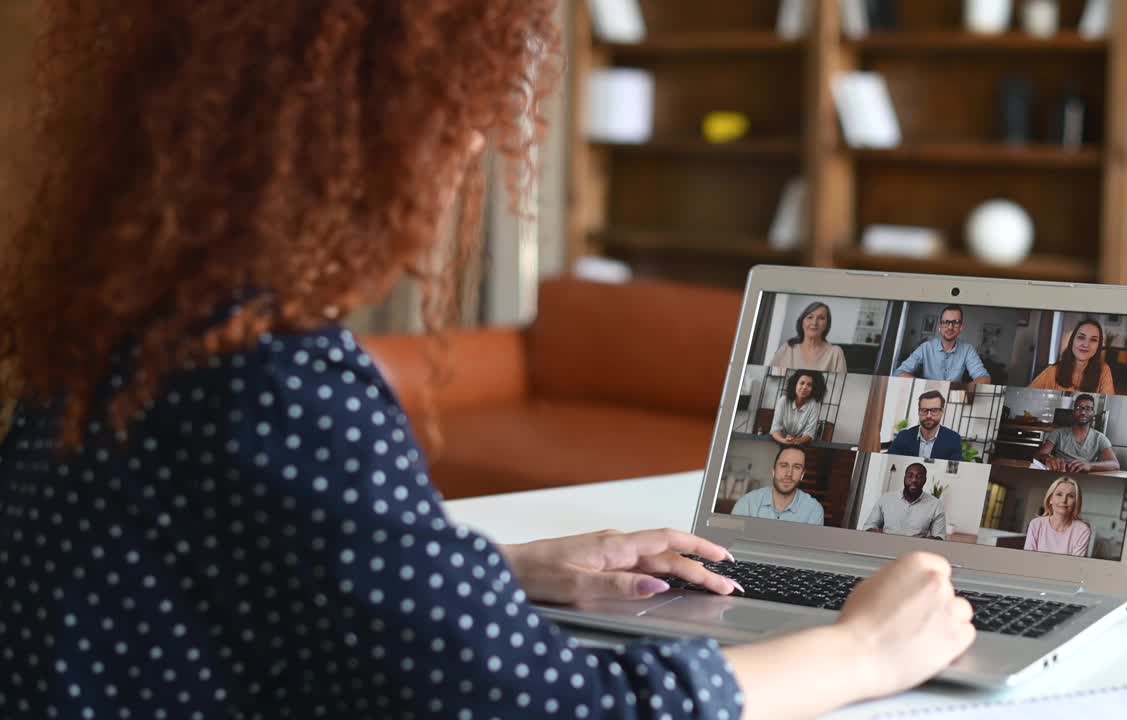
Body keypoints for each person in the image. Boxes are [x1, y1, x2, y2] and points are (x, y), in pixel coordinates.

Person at [0, 3, 975, 718]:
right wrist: (858, 650)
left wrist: (502, 573)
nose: (472, 139)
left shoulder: (127, 322)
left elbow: (229, 570)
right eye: (457, 106)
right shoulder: (277, 380)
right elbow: (551, 711)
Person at [894, 305, 992, 387]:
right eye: (946, 322)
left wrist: (960, 391)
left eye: (955, 322)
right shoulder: (926, 347)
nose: (950, 327)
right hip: (927, 397)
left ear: (961, 328)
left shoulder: (968, 350)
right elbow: (899, 373)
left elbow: (984, 378)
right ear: (940, 327)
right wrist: (925, 386)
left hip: (953, 399)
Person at [731, 445, 825, 525]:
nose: (789, 473)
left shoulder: (813, 511)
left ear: (802, 475)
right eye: (784, 465)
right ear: (773, 471)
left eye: (796, 467)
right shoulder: (747, 503)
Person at [1033, 394, 1120, 473]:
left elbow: (1115, 464)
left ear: (1093, 413)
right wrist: (1049, 459)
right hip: (1060, 473)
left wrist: (1090, 465)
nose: (1082, 412)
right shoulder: (1058, 433)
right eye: (1078, 408)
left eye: (1088, 408)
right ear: (1073, 412)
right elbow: (1039, 455)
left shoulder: (1100, 438)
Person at [862, 463, 948, 540]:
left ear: (925, 480)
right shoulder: (886, 498)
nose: (914, 480)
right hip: (885, 545)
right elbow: (869, 527)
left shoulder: (936, 505)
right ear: (904, 478)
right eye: (910, 476)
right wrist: (874, 533)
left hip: (915, 552)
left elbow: (940, 537)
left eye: (919, 477)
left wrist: (932, 540)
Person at [1029, 318, 1117, 395]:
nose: (1086, 344)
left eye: (1093, 340)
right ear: (1072, 341)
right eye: (1081, 337)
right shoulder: (1052, 371)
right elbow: (1027, 395)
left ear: (1098, 346)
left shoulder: (1104, 370)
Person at [770, 301, 848, 373]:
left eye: (821, 318)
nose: (814, 322)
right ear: (802, 322)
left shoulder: (836, 353)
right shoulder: (787, 348)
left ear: (827, 325)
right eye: (810, 317)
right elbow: (770, 375)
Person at [887, 390, 964, 461]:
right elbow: (891, 462)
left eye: (934, 410)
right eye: (924, 410)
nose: (928, 416)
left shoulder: (953, 439)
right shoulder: (903, 436)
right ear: (919, 412)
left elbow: (954, 471)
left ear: (942, 412)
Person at [1023, 477, 1092, 557]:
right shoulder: (1036, 524)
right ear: (1050, 499)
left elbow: (1075, 565)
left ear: (1076, 502)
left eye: (1070, 496)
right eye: (1059, 494)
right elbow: (1028, 559)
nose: (1064, 500)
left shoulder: (1082, 530)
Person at [770, 370, 826, 446]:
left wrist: (797, 441)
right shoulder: (783, 400)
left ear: (814, 389)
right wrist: (784, 441)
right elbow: (775, 429)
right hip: (780, 442)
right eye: (802, 383)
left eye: (809, 385)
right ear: (795, 384)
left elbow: (809, 433)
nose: (804, 387)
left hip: (802, 445)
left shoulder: (814, 404)